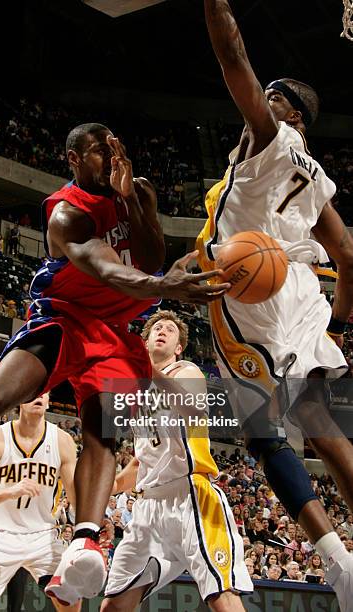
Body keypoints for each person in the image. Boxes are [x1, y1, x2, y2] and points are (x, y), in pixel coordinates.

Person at [0, 124, 229, 605]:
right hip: (64, 316)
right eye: (97, 151)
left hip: (114, 331)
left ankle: (84, 540)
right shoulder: (66, 214)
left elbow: (148, 256)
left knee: (102, 431)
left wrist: (133, 204)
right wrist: (166, 287)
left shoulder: (137, 191)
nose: (109, 156)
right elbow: (108, 270)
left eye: (114, 146)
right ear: (73, 160)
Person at [196, 2, 353, 609]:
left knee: (263, 435)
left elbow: (232, 53)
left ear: (293, 116)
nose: (261, 100)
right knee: (323, 425)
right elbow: (348, 252)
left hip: (254, 295)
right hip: (306, 293)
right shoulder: (316, 176)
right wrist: (334, 318)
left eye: (273, 96)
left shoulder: (270, 138)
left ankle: (339, 565)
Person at [101, 311, 252, 611]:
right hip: (148, 508)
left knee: (222, 599)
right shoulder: (138, 395)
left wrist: (148, 371)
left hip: (190, 495)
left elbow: (193, 411)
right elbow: (141, 461)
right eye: (156, 328)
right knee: (113, 607)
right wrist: (106, 492)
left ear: (178, 347)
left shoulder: (186, 371)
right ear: (143, 344)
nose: (163, 331)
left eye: (170, 330)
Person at [0, 394, 79, 612]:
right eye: (33, 392)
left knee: (71, 598)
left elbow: (75, 498)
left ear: (49, 400)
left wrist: (93, 526)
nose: (39, 396)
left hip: (43, 535)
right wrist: (10, 491)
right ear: (19, 399)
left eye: (44, 392)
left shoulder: (62, 441)